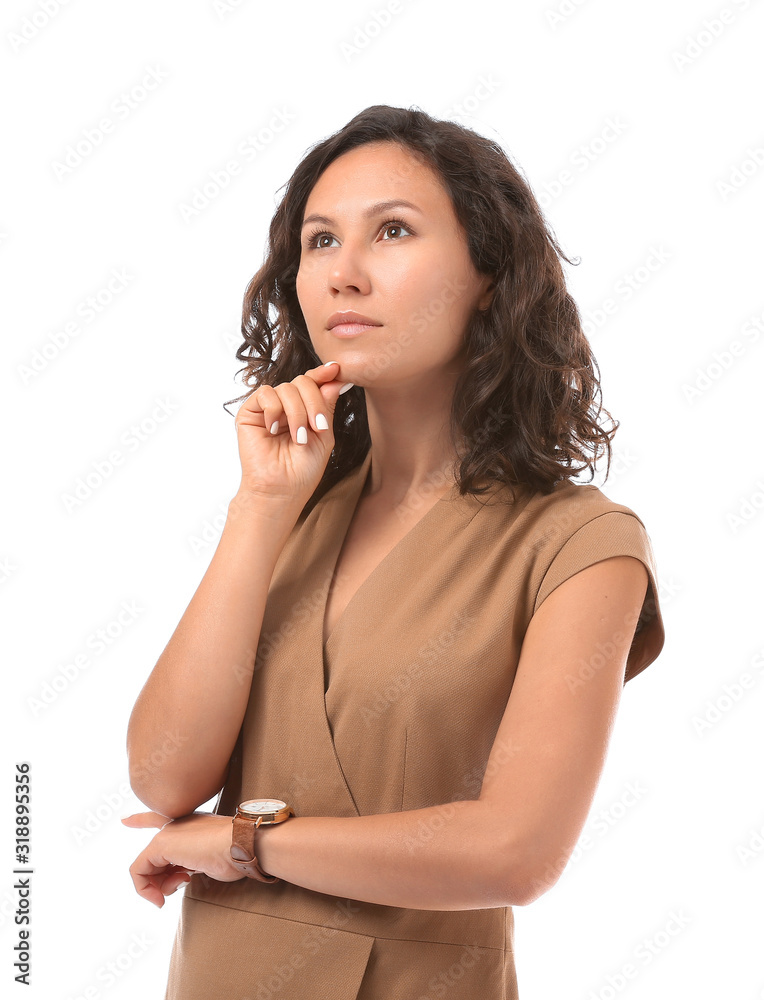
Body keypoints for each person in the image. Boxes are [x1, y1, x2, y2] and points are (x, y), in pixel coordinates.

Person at [122, 105, 666, 999]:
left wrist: (247, 843)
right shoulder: (293, 510)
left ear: (489, 275)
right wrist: (260, 506)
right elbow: (165, 772)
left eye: (395, 232)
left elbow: (515, 851)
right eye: (321, 240)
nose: (346, 274)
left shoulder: (581, 544)